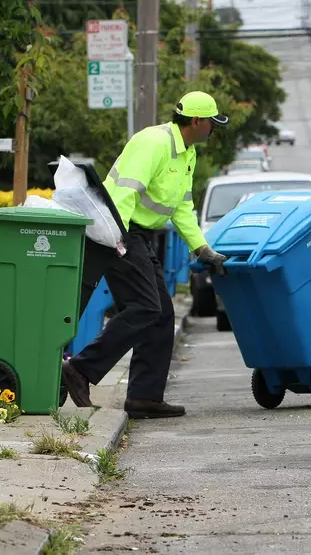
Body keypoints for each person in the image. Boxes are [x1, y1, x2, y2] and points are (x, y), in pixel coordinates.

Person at [62, 91, 230, 419]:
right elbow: (124, 192)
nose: (214, 129)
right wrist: (118, 241)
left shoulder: (187, 154)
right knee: (144, 307)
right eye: (212, 123)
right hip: (116, 231)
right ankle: (79, 369)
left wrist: (203, 249)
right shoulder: (154, 143)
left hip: (137, 235)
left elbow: (182, 207)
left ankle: (144, 398)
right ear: (196, 121)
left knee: (162, 313)